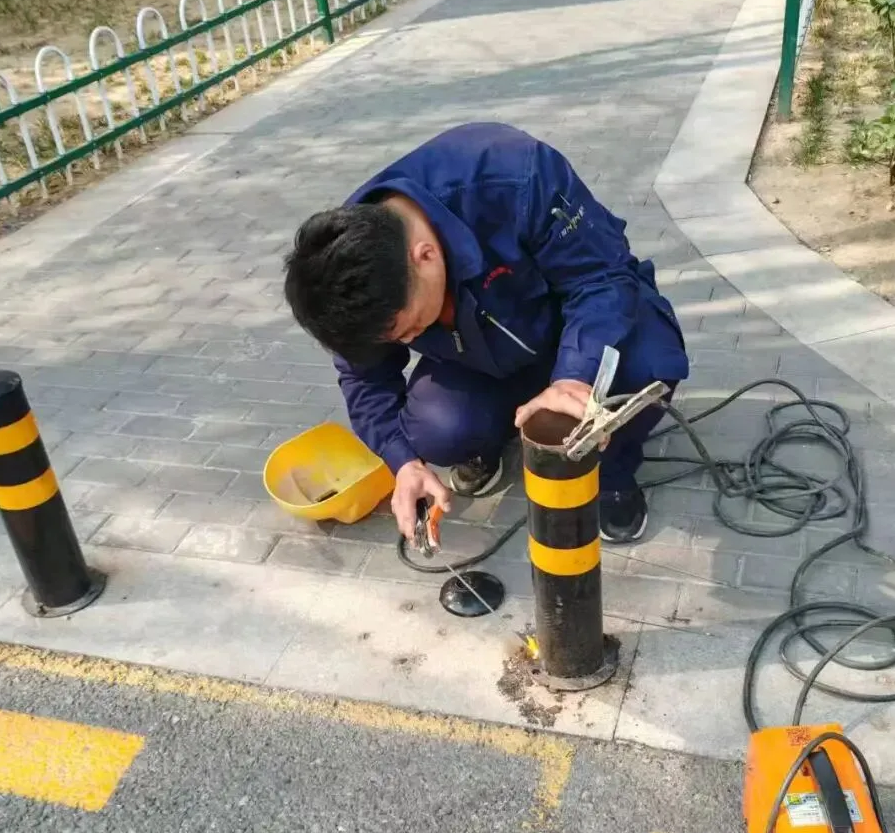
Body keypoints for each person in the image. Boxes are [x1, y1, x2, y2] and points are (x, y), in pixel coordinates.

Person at [282, 123, 688, 545]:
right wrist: (403, 464)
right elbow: (364, 378)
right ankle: (489, 443)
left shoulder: (515, 176)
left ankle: (611, 471)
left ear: (425, 256)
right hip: (482, 356)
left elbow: (600, 278)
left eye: (410, 328)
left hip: (574, 324)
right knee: (438, 427)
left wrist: (574, 376)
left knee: (649, 368)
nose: (406, 341)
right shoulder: (344, 272)